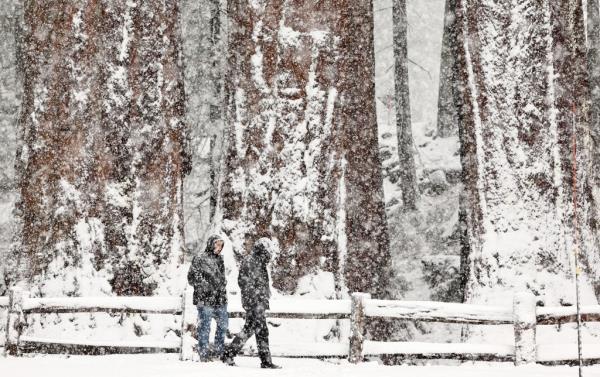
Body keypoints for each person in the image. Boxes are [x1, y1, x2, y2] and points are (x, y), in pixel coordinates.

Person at [221, 238, 281, 369]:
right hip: (254, 303)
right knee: (262, 331)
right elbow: (243, 282)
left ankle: (229, 354)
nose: (269, 253)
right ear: (262, 249)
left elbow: (259, 283)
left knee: (250, 329)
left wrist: (263, 297)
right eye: (267, 250)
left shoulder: (259, 262)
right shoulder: (251, 261)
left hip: (257, 302)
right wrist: (255, 299)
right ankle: (265, 361)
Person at [187, 235, 228, 362]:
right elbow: (191, 278)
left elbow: (221, 278)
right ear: (211, 244)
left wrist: (222, 285)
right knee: (205, 327)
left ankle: (218, 351)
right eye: (217, 244)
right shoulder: (199, 258)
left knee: (223, 325)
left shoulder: (220, 259)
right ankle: (203, 353)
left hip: (220, 299)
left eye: (221, 245)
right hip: (205, 299)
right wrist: (206, 286)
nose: (219, 247)